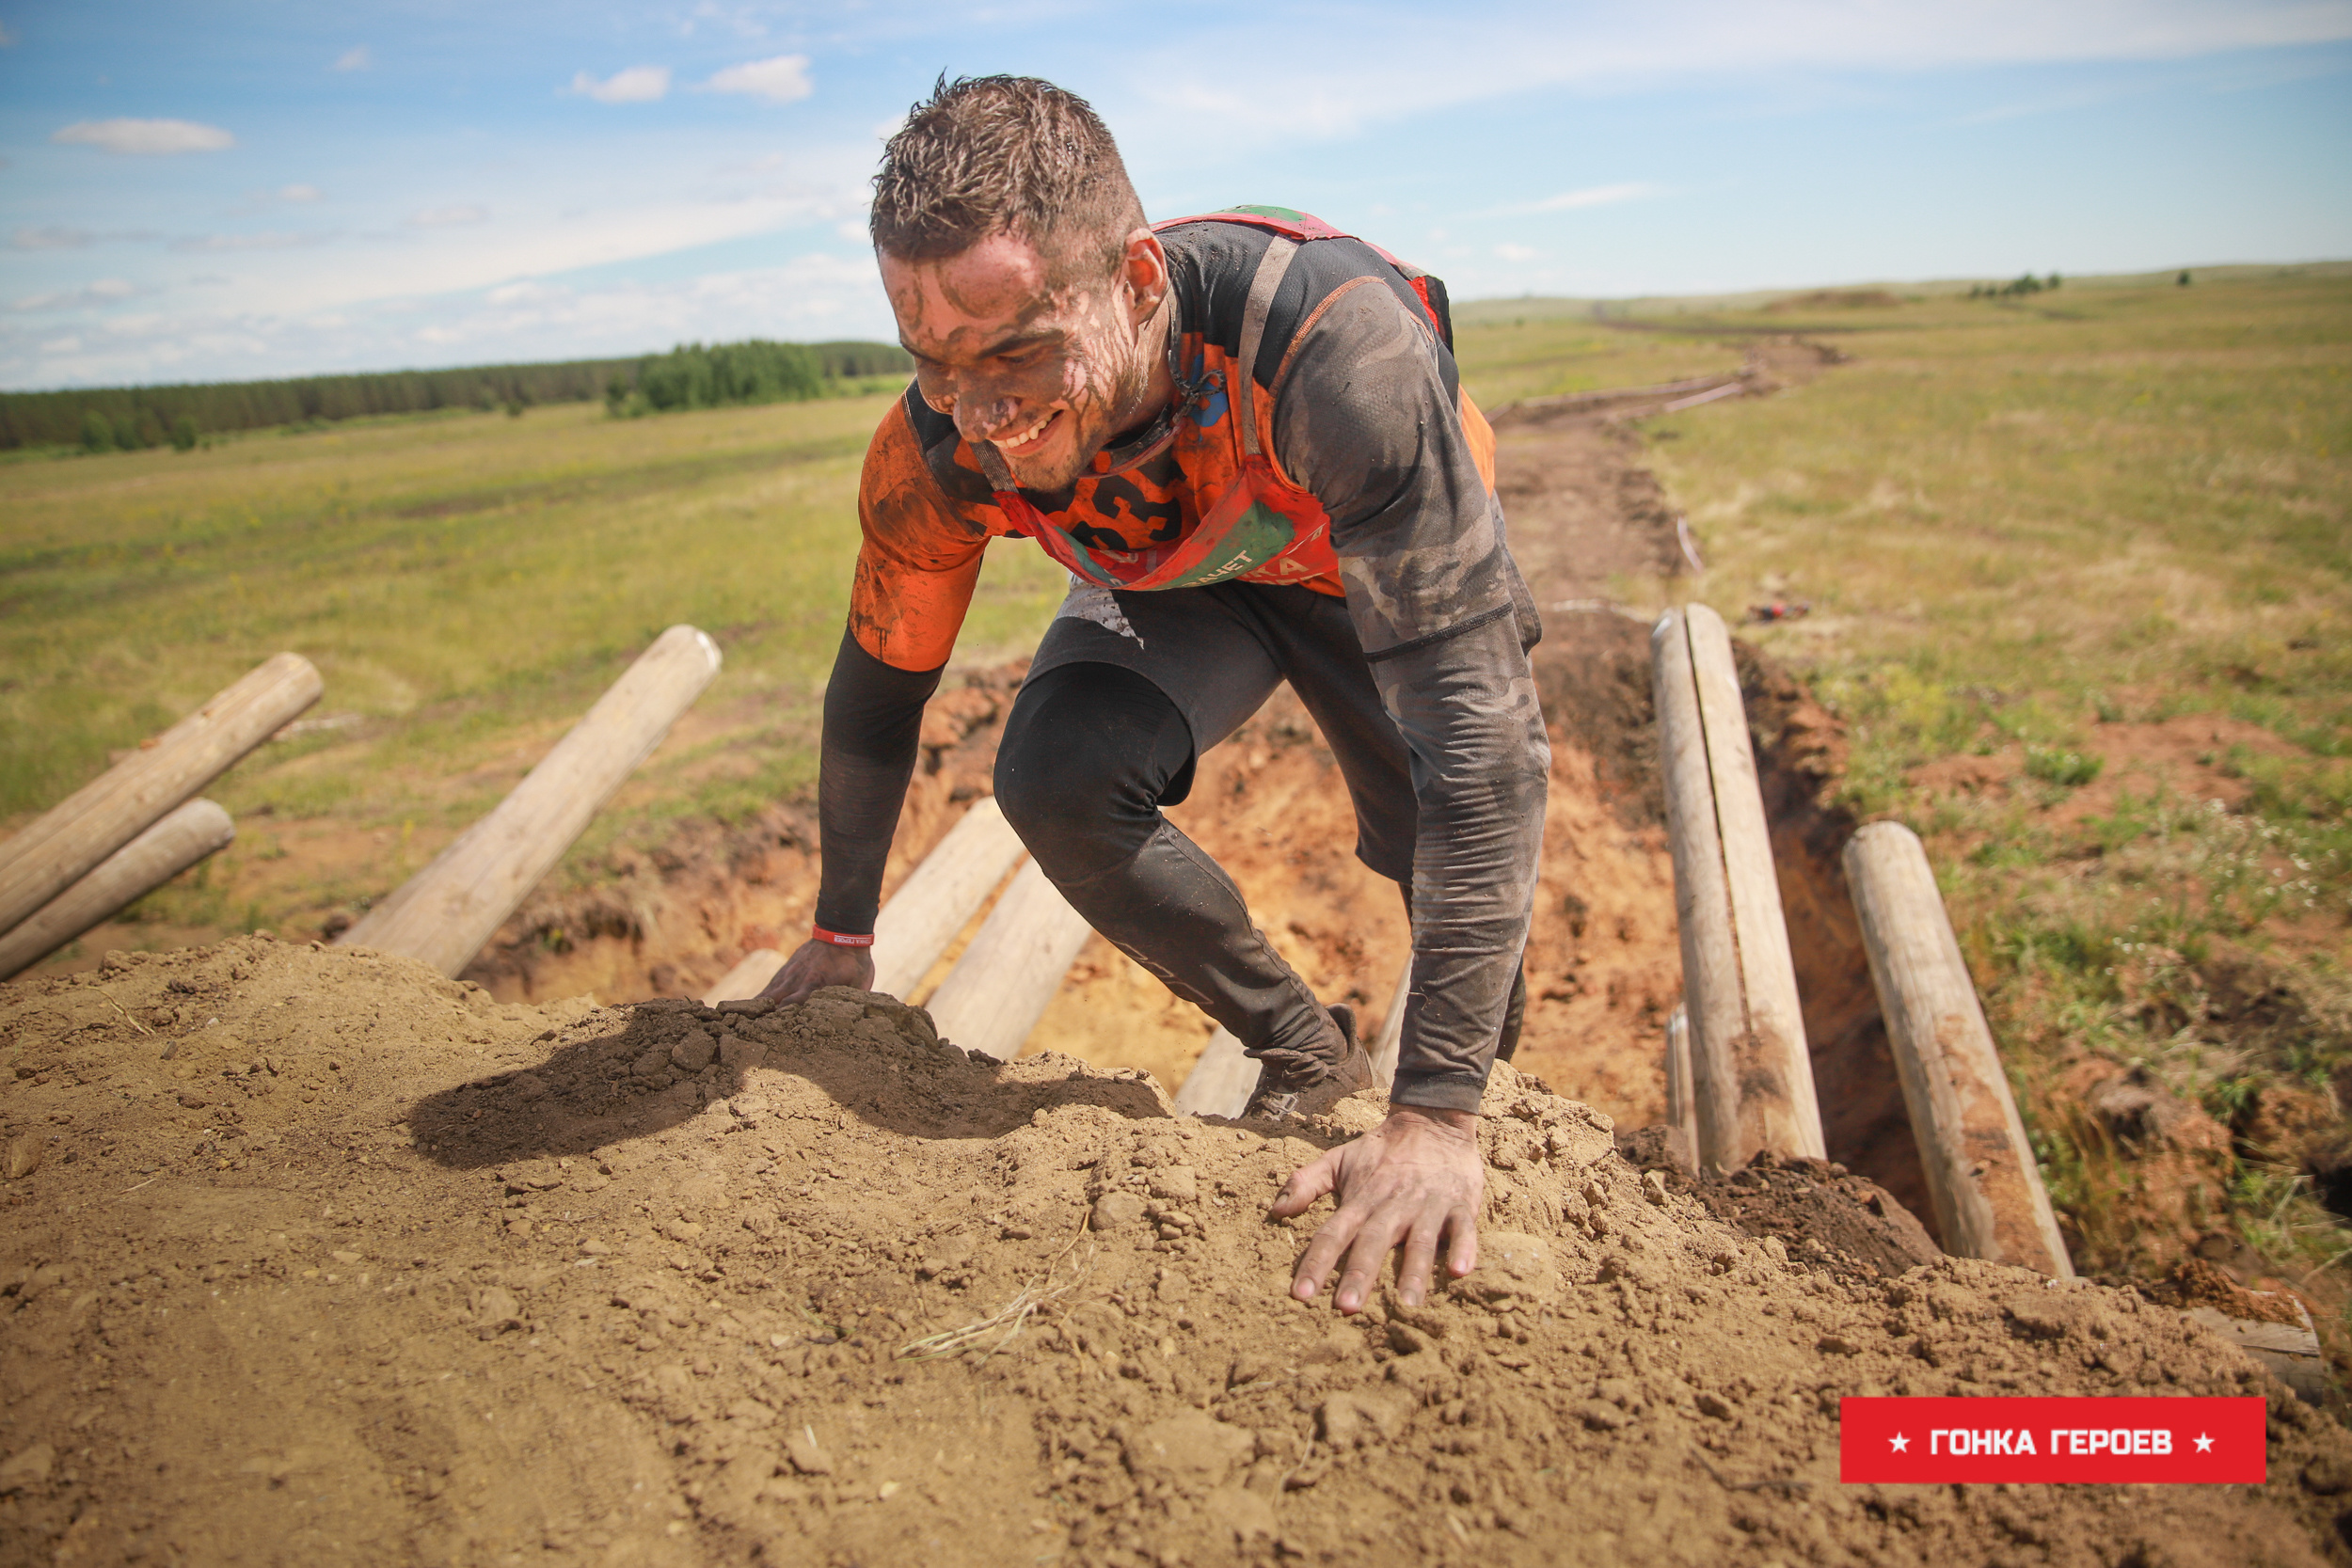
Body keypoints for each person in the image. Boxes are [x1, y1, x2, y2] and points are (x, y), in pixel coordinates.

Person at [759, 75, 1549, 1315]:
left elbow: (1485, 748)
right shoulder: (937, 448)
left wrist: (1439, 1116)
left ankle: (1470, 1117)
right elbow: (877, 686)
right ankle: (1303, 1054)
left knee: (1429, 831)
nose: (987, 412)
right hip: (1186, 574)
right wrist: (842, 935)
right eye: (936, 364)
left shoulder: (1337, 350)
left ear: (1134, 284)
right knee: (1054, 778)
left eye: (1018, 350)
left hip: (1364, 562)